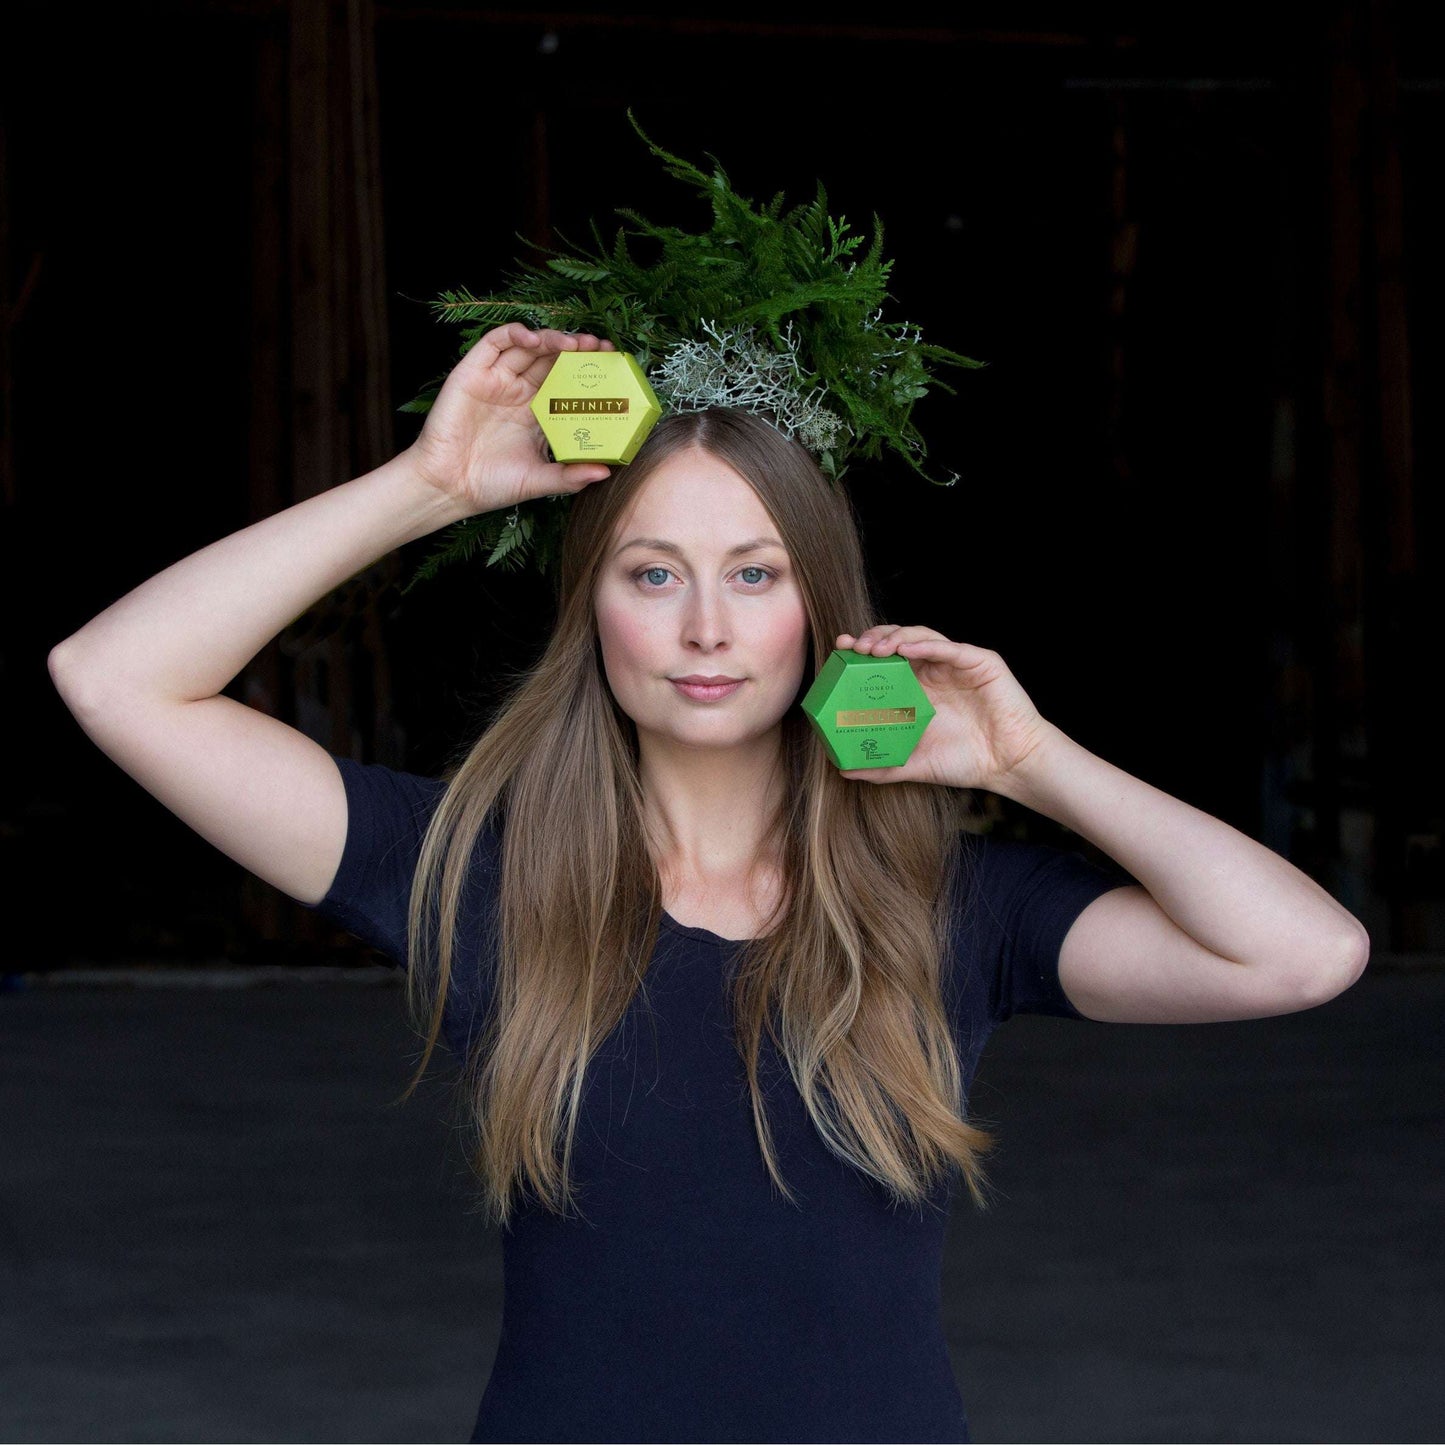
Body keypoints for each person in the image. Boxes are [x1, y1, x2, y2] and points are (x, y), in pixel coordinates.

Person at [48, 323, 1371, 1444]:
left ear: (819, 608)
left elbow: (1300, 954)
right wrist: (430, 484)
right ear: (595, 609)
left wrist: (1033, 761)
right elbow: (115, 679)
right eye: (652, 574)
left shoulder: (947, 905)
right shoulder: (477, 871)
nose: (703, 628)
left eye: (753, 574)